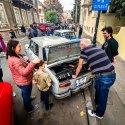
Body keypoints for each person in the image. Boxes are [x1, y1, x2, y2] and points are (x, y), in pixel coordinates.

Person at [72, 39, 116, 119]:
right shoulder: (98, 48)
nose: (80, 48)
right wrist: (91, 67)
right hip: (112, 74)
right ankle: (97, 103)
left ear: (83, 45)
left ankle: (99, 114)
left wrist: (75, 75)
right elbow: (97, 59)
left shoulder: (84, 51)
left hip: (104, 77)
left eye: (80, 46)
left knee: (103, 97)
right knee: (98, 89)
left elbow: (79, 66)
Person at [6, 39, 40, 113]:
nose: (21, 48)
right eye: (19, 46)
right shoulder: (15, 60)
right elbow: (24, 72)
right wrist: (33, 63)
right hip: (24, 82)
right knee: (26, 93)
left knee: (25, 93)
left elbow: (19, 64)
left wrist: (24, 57)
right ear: (13, 48)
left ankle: (27, 98)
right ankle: (29, 108)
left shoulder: (11, 56)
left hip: (19, 81)